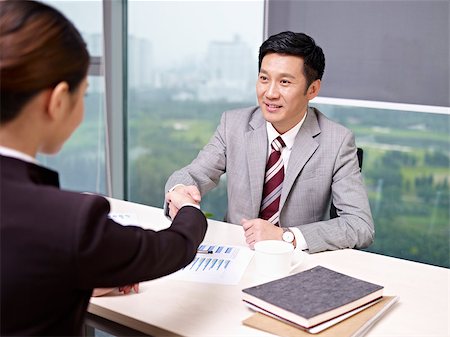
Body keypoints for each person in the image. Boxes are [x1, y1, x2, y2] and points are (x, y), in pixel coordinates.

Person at [0, 1, 207, 335]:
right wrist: (190, 211)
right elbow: (172, 248)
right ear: (57, 101)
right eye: (85, 95)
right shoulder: (67, 222)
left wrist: (71, 278)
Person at [165, 31, 374, 253]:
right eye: (264, 79)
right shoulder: (234, 125)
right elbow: (192, 175)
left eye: (284, 82)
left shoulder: (337, 141)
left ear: (312, 89)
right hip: (236, 253)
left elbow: (359, 225)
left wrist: (286, 237)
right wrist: (179, 191)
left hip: (295, 261)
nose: (270, 93)